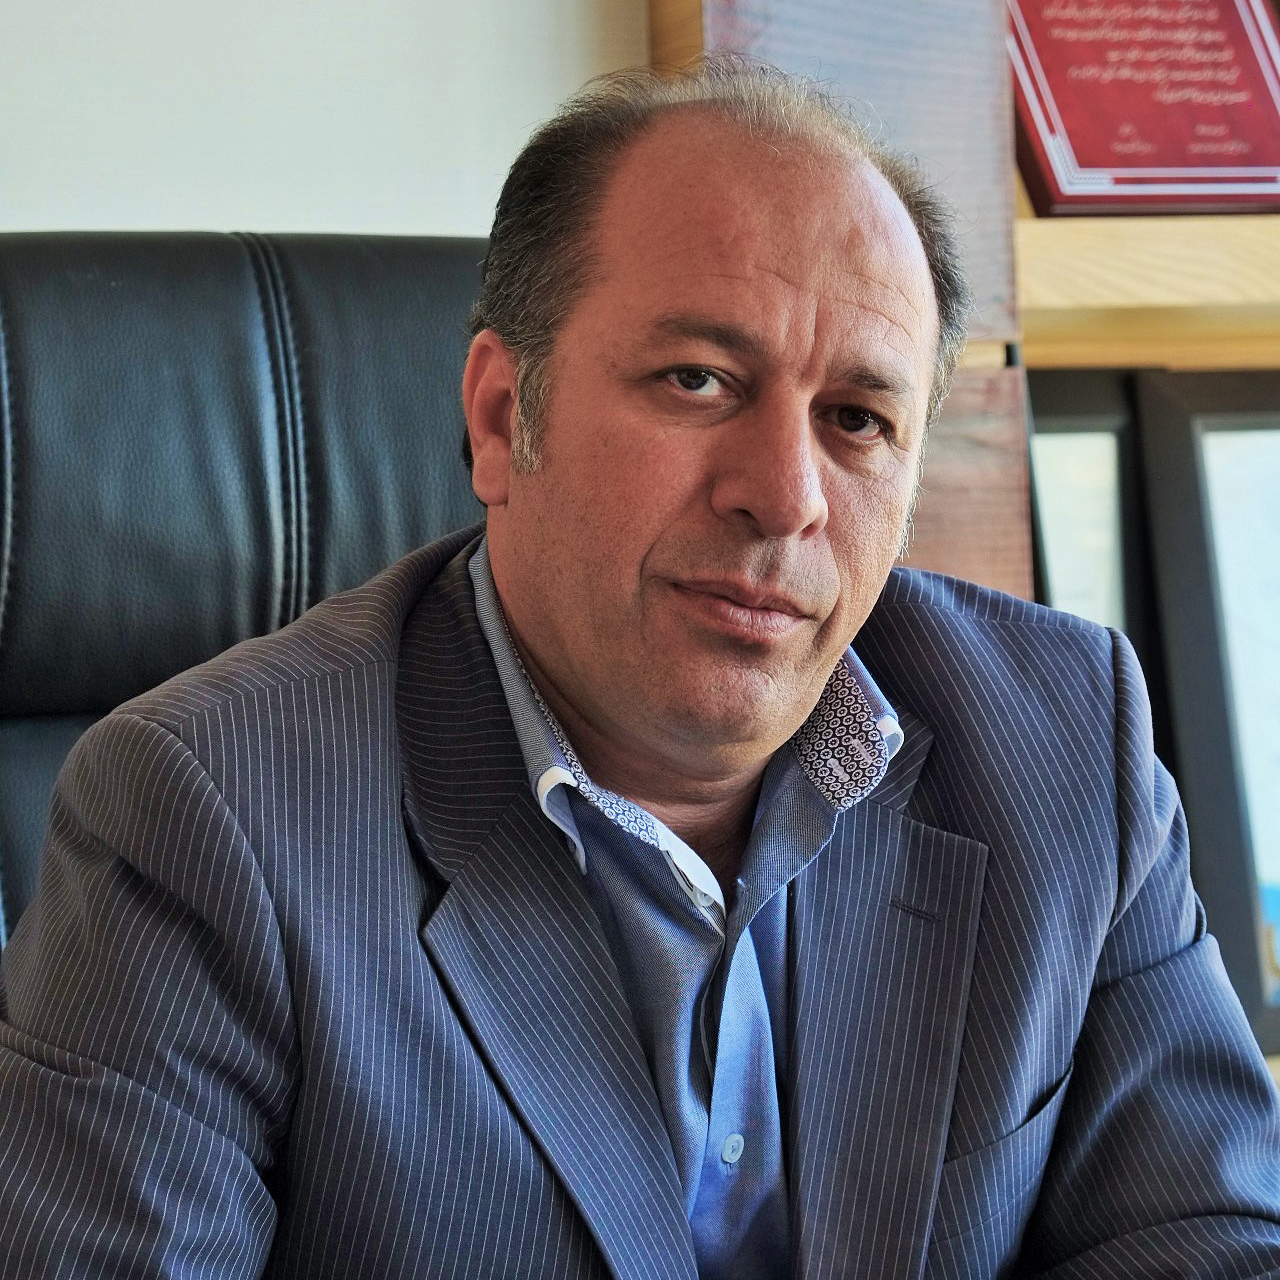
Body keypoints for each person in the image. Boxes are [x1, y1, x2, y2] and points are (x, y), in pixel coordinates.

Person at [1, 56, 1278, 1280]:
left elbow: (1206, 1233)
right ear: (501, 416)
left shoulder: (1061, 739)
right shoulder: (207, 817)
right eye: (698, 379)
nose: (784, 496)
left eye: (856, 419)